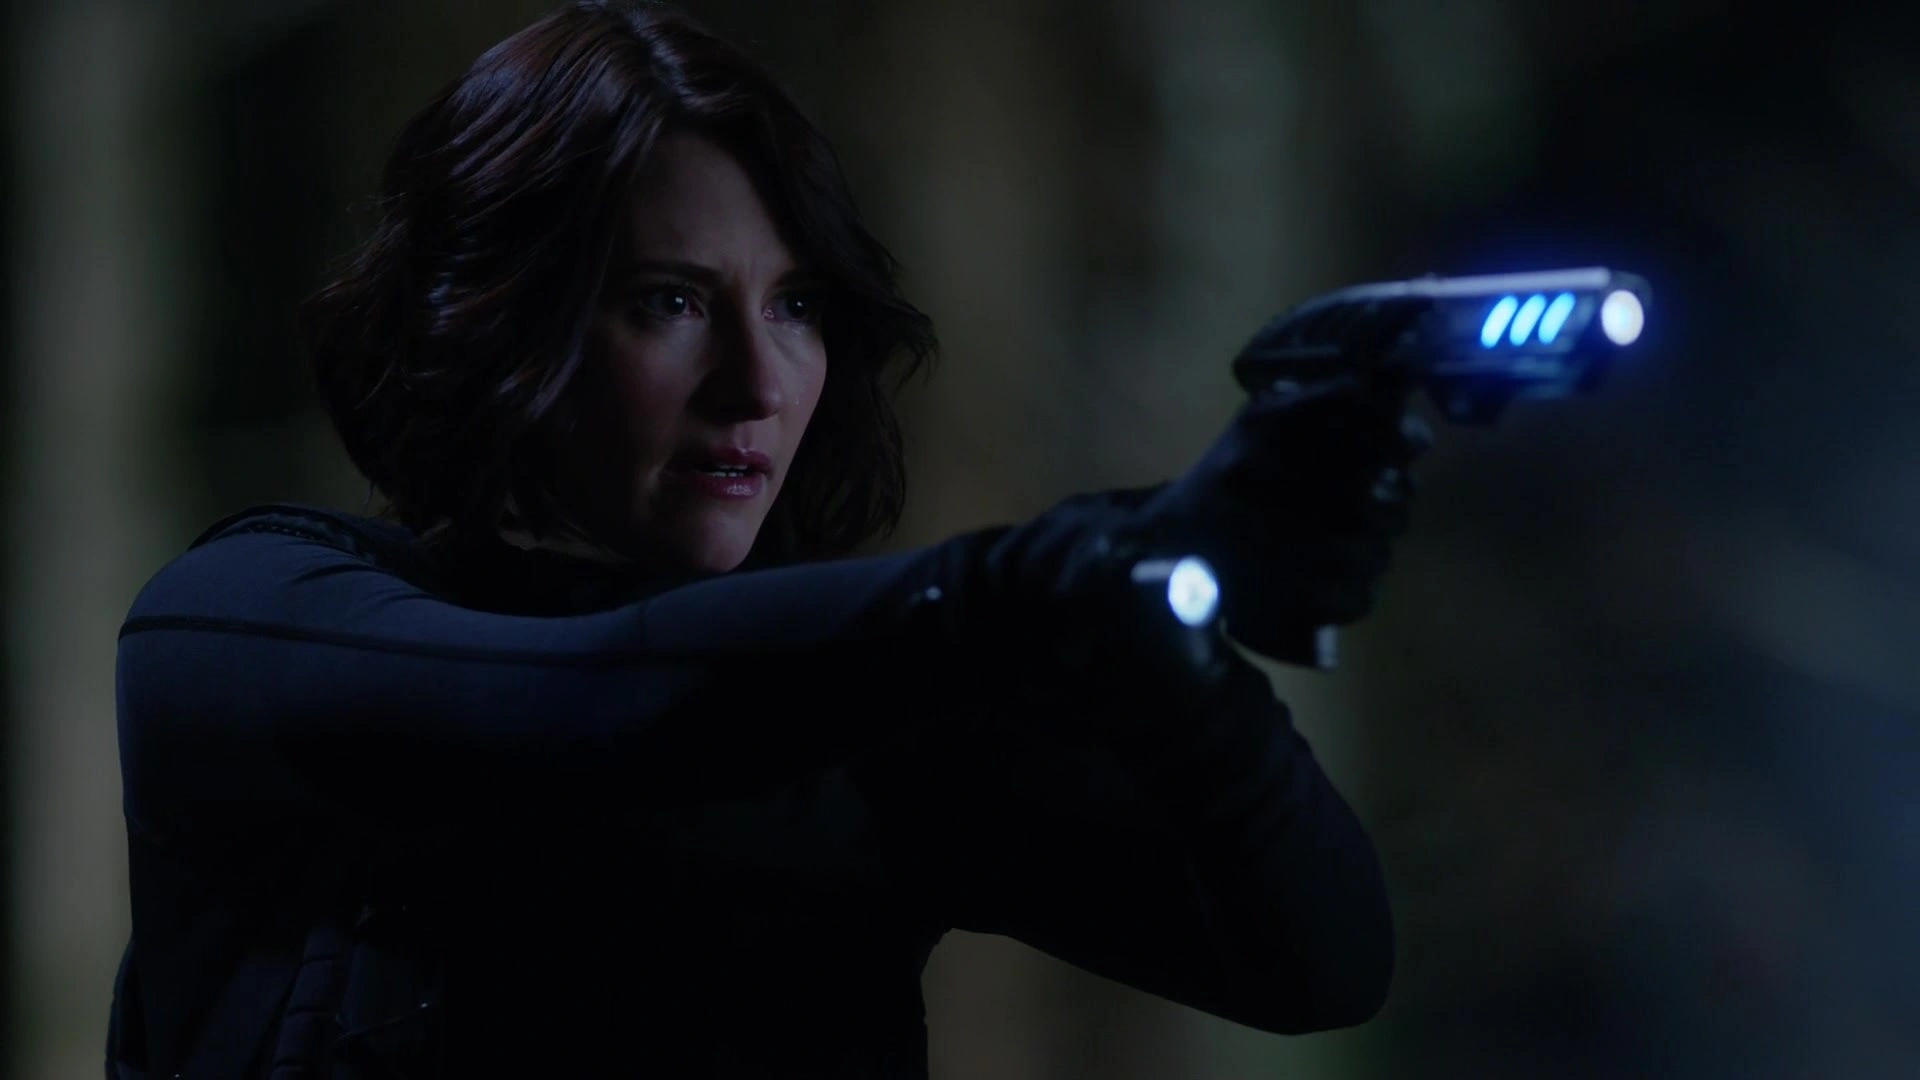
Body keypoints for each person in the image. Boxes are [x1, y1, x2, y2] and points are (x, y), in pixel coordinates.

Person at [107, 1, 1427, 1076]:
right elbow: (578, 704)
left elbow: (1318, 962)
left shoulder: (860, 724)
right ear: (500, 321)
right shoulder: (249, 622)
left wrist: (1180, 646)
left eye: (796, 305)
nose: (756, 383)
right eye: (670, 300)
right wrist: (1046, 580)